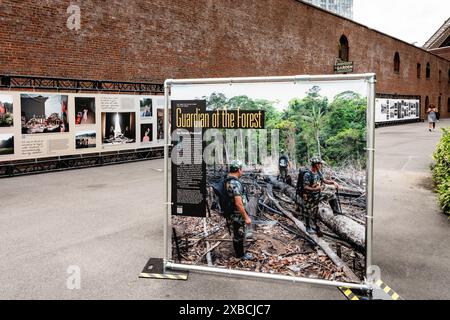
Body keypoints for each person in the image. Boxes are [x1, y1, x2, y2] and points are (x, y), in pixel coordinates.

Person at [303, 157, 341, 235]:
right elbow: (305, 187)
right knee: (308, 211)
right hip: (309, 196)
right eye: (319, 164)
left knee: (332, 196)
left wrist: (333, 182)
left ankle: (336, 212)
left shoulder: (318, 172)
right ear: (315, 165)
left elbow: (324, 180)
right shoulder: (308, 174)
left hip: (318, 194)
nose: (320, 165)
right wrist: (317, 188)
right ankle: (307, 227)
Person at [225, 160, 253, 259]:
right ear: (238, 170)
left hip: (232, 212)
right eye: (241, 169)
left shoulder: (228, 180)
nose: (242, 172)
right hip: (237, 214)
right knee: (239, 234)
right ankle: (240, 255)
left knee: (237, 233)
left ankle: (239, 253)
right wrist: (246, 217)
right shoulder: (235, 183)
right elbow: (238, 203)